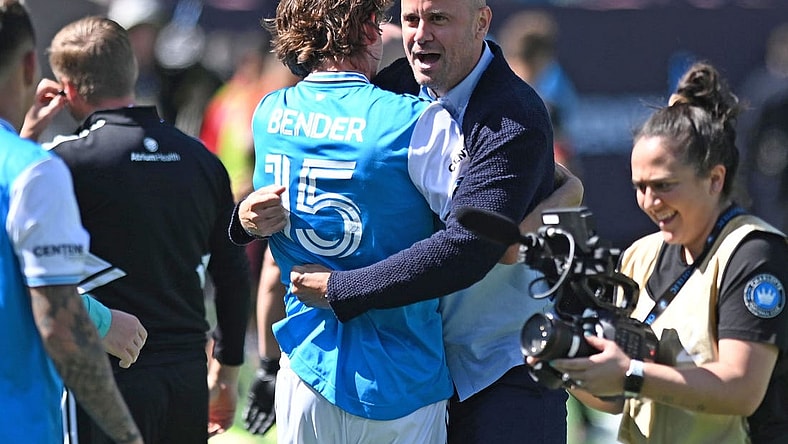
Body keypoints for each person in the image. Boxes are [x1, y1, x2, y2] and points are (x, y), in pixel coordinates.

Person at [235, 0, 581, 442]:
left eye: (438, 19)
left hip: (501, 366)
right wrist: (244, 216)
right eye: (411, 19)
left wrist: (344, 289)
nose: (419, 34)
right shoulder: (396, 87)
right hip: (407, 367)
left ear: (481, 22)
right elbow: (316, 178)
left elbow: (474, 247)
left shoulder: (515, 114)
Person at [21, 15, 251, 444]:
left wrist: (28, 135)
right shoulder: (201, 159)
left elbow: (12, 242)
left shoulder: (56, 163)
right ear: (132, 70)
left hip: (104, 375)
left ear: (66, 90)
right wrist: (227, 370)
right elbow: (232, 269)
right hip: (184, 379)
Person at [543, 62, 787, 443]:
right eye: (639, 186)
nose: (650, 202)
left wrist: (631, 375)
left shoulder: (754, 252)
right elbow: (619, 399)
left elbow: (741, 388)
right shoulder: (642, 254)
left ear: (715, 179)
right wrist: (566, 364)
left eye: (665, 185)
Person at [0, 2, 143, 443]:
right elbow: (59, 325)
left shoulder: (26, 165)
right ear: (29, 64)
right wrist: (127, 434)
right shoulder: (34, 172)